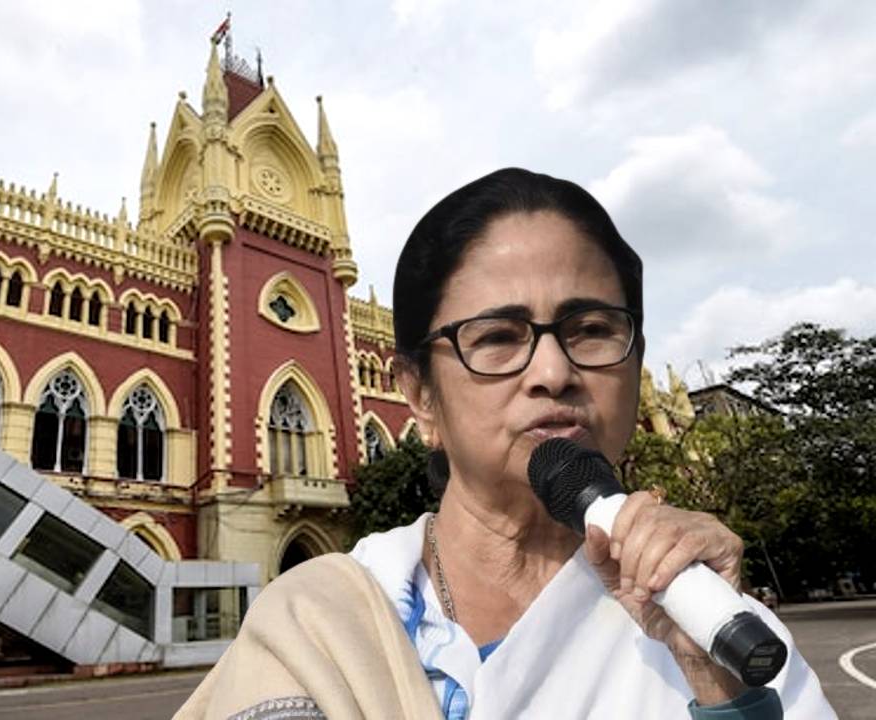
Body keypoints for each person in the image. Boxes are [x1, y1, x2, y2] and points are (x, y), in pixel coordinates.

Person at [174, 169, 834, 719]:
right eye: (497, 338)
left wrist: (722, 690)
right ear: (419, 395)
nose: (553, 373)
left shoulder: (720, 626)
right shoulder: (314, 622)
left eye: (592, 329)